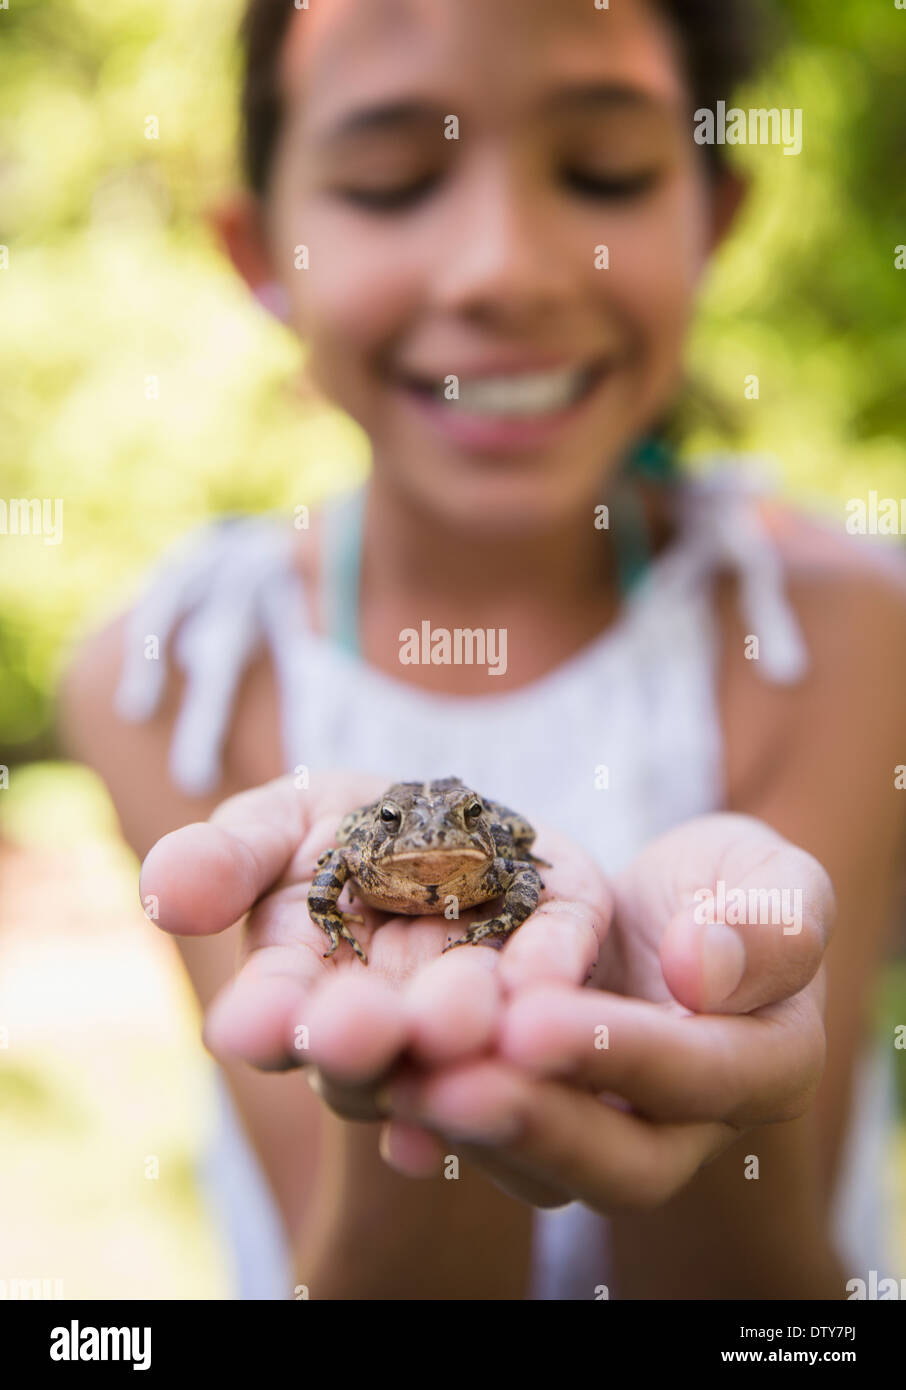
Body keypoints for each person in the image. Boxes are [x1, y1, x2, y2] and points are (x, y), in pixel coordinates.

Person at [59, 0, 906, 1299]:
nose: (501, 269)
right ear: (258, 251)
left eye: (603, 172)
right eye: (392, 183)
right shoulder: (179, 672)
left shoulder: (832, 626)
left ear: (713, 220)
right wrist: (428, 1088)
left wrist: (699, 1055)